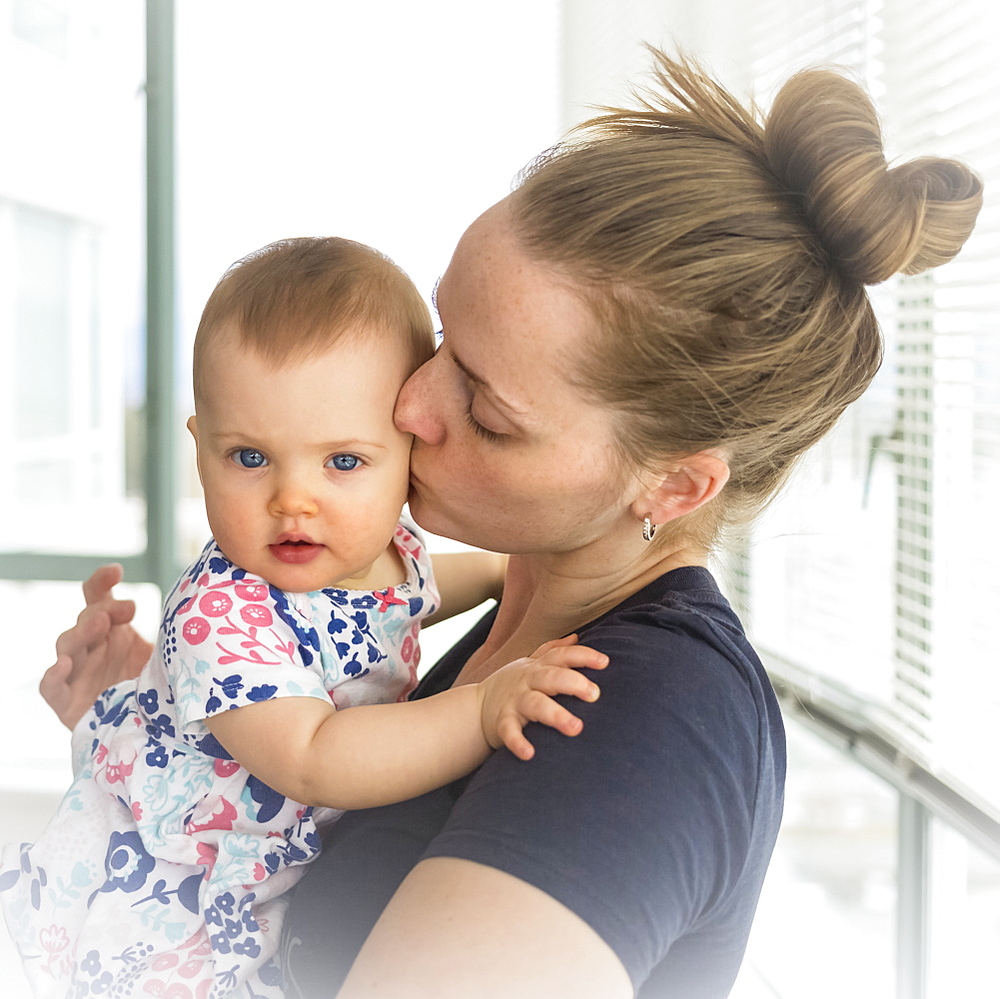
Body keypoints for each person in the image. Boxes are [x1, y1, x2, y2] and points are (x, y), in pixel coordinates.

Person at [36, 52, 982, 998]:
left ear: (677, 488)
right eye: (442, 339)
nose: (406, 406)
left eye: (486, 409)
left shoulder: (651, 716)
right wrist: (162, 729)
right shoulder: (490, 616)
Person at [0, 237, 609, 999]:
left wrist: (500, 570)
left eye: (343, 462)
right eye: (250, 457)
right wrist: (482, 708)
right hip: (178, 888)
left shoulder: (385, 549)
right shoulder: (215, 613)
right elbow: (315, 756)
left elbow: (404, 596)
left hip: (273, 868)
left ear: (406, 455)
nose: (294, 498)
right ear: (200, 450)